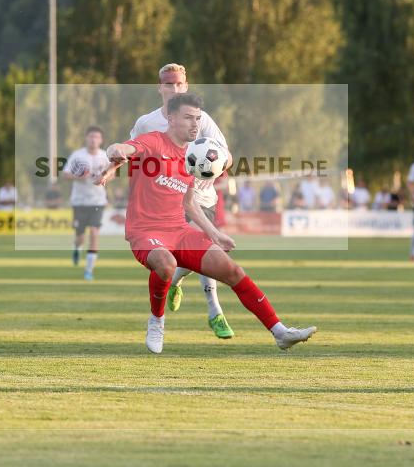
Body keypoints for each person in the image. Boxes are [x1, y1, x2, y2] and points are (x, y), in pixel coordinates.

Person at [102, 93, 316, 353]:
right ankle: (157, 321)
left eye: (198, 119)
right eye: (188, 118)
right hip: (145, 231)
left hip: (179, 231)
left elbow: (189, 203)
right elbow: (125, 147)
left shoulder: (195, 156)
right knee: (166, 263)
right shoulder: (154, 142)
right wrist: (116, 151)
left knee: (232, 271)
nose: (195, 124)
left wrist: (214, 233)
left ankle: (279, 331)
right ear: (171, 119)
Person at [97, 63, 235, 339]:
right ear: (160, 88)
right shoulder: (146, 122)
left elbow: (226, 155)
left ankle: (196, 297)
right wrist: (111, 170)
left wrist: (216, 168)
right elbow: (129, 152)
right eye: (169, 84)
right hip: (165, 203)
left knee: (203, 253)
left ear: (186, 86)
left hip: (200, 198)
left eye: (179, 84)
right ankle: (200, 305)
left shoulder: (202, 118)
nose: (175, 89)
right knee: (179, 255)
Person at [62, 126, 111, 280]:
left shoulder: (104, 156)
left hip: (97, 201)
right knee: (80, 236)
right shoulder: (77, 155)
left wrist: (104, 177)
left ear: (101, 140)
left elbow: (113, 173)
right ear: (86, 138)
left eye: (96, 137)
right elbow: (65, 174)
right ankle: (77, 248)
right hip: (79, 201)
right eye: (91, 136)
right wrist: (78, 176)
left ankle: (89, 270)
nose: (93, 139)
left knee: (95, 234)